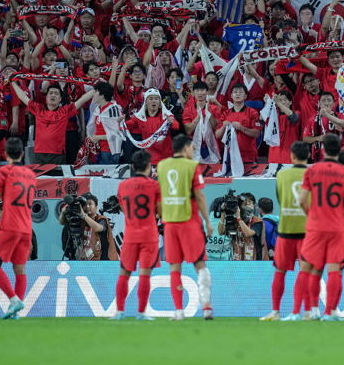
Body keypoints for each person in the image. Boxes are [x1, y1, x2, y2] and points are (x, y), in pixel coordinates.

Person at [298, 134, 344, 321]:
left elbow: (300, 199)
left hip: (315, 226)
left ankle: (313, 310)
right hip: (336, 227)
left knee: (314, 269)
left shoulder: (312, 170)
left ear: (322, 150)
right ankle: (330, 312)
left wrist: (311, 214)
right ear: (340, 151)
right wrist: (340, 215)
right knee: (335, 269)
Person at [157, 135, 214, 320]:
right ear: (186, 148)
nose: (194, 152)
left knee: (174, 267)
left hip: (170, 223)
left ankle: (179, 311)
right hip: (189, 222)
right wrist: (207, 221)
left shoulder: (162, 166)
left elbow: (159, 196)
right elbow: (200, 196)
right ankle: (206, 307)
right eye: (193, 149)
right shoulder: (192, 167)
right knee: (200, 264)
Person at [261, 141, 312, 321]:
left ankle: (275, 311)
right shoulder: (312, 174)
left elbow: (280, 199)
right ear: (308, 155)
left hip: (286, 229)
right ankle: (299, 312)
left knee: (280, 271)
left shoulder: (281, 175)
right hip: (307, 231)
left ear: (291, 156)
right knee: (305, 271)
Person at [0, 138, 36, 319]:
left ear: (6, 154)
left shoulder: (4, 170)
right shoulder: (31, 175)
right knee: (20, 269)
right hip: (26, 228)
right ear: (22, 154)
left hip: (9, 225)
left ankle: (14, 300)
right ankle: (16, 313)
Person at [111, 150, 161, 321]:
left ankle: (119, 312)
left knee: (124, 273)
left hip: (131, 234)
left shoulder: (123, 186)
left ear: (132, 166)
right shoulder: (155, 186)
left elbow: (124, 208)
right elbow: (160, 211)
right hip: (149, 235)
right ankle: (141, 313)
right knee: (145, 274)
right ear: (149, 166)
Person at [11, 81, 95, 164]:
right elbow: (23, 97)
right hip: (39, 154)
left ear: (60, 99)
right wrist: (13, 82)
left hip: (57, 155)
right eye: (50, 93)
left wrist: (96, 87)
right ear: (46, 98)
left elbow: (82, 99)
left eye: (56, 93)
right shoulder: (38, 109)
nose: (53, 95)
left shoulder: (64, 111)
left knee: (57, 178)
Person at [60, 193, 119, 261]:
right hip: (88, 262)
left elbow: (98, 228)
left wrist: (83, 216)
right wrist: (63, 212)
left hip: (104, 262)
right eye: (85, 205)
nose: (87, 207)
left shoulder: (101, 219)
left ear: (96, 206)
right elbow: (62, 222)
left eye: (90, 204)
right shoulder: (81, 221)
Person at [218, 192, 266, 260]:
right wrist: (223, 213)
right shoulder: (234, 221)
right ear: (240, 206)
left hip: (254, 262)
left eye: (250, 203)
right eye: (246, 203)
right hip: (237, 260)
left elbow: (248, 233)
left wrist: (239, 218)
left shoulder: (257, 221)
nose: (249, 206)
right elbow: (220, 232)